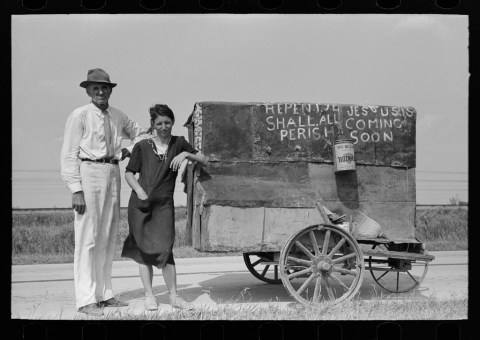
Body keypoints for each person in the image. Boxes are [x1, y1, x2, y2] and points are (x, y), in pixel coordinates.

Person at [60, 68, 148, 316]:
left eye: (105, 87)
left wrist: (126, 151)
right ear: (88, 91)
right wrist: (76, 189)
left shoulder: (118, 115)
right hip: (89, 172)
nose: (101, 92)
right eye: (95, 88)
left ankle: (104, 294)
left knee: (107, 236)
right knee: (88, 238)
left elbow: (141, 134)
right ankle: (86, 299)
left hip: (112, 173)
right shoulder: (79, 116)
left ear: (111, 90)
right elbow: (68, 155)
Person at [121, 104, 208, 311]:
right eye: (159, 123)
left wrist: (186, 155)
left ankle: (174, 297)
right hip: (140, 205)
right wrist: (140, 192)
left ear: (172, 123)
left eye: (167, 122)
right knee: (143, 252)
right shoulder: (142, 146)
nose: (163, 127)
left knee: (166, 250)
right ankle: (149, 296)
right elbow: (129, 173)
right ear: (152, 125)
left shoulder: (179, 143)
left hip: (163, 205)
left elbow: (203, 159)